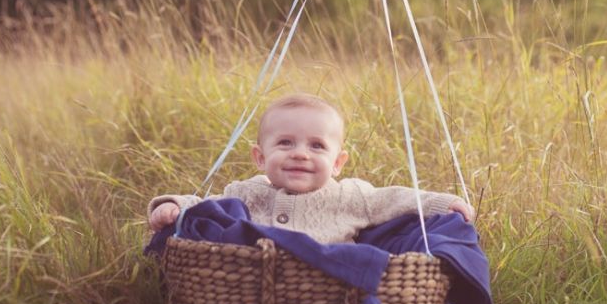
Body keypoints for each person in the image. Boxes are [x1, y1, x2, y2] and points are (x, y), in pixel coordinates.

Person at [147, 92, 474, 243]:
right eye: (285, 143)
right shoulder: (246, 193)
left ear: (337, 163)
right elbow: (208, 207)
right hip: (251, 286)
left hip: (328, 290)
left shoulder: (351, 196)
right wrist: (174, 206)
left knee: (366, 261)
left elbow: (395, 199)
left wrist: (442, 203)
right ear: (260, 158)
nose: (300, 154)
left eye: (316, 146)